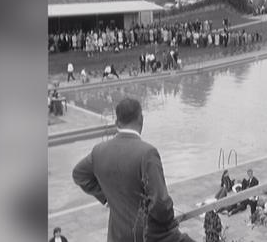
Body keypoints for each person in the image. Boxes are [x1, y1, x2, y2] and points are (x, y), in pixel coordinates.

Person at [72, 98, 194, 242]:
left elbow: (79, 175)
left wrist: (107, 198)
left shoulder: (99, 151)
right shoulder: (147, 153)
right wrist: (169, 223)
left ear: (117, 122)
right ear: (141, 119)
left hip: (117, 236)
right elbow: (161, 204)